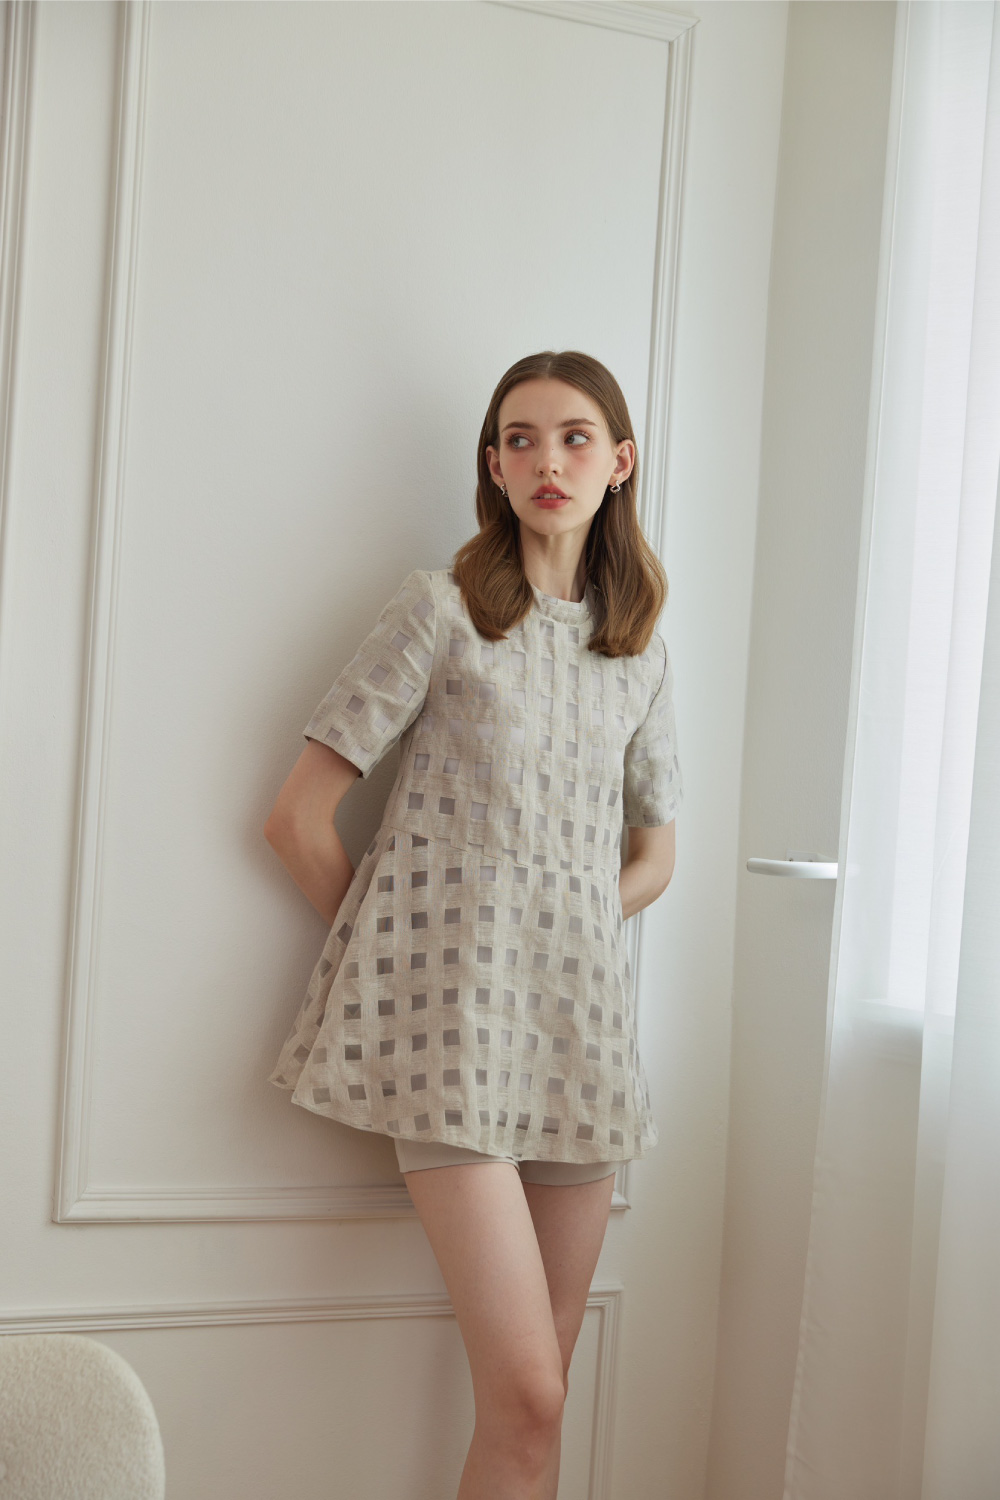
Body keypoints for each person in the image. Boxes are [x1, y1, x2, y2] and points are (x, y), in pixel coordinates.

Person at [264, 349, 684, 1499]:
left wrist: (562, 915)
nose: (547, 460)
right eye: (519, 439)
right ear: (492, 468)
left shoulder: (637, 651)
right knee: (529, 1394)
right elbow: (297, 820)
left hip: (582, 1040)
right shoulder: (439, 612)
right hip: (451, 1038)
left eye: (574, 437)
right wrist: (407, 948)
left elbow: (655, 858)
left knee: (536, 1411)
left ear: (619, 462)